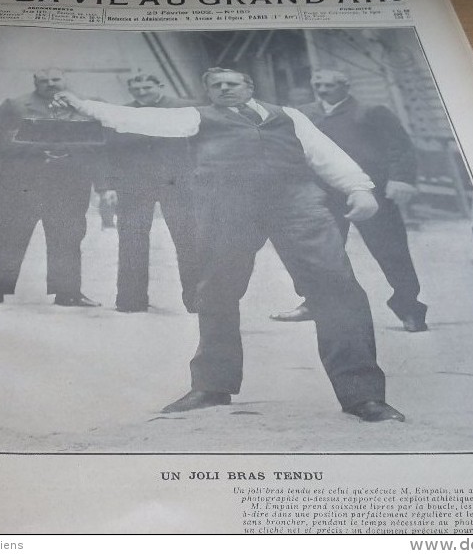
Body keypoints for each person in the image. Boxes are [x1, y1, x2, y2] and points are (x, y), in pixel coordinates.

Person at [53, 67, 405, 422]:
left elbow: (325, 154)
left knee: (337, 287)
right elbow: (138, 119)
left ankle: (364, 397)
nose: (224, 89)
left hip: (297, 205)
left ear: (249, 86)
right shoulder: (196, 118)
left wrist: (359, 188)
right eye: (216, 85)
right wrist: (82, 105)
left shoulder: (290, 116)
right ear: (208, 92)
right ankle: (211, 387)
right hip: (228, 209)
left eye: (231, 83)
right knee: (216, 291)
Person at [270, 69, 428, 332]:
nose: (322, 90)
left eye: (329, 86)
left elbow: (400, 147)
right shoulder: (304, 114)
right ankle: (315, 303)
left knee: (391, 252)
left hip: (371, 193)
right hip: (324, 194)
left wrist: (400, 179)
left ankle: (409, 307)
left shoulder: (371, 112)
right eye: (317, 85)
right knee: (320, 253)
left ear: (346, 86)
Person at [0, 68, 110, 307]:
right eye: (44, 80)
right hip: (22, 185)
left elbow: (102, 149)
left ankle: (68, 293)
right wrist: (32, 147)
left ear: (66, 79)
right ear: (35, 81)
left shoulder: (87, 107)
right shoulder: (14, 106)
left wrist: (103, 185)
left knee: (68, 238)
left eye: (56, 79)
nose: (51, 84)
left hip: (69, 185)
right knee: (10, 237)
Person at [108, 73, 200, 313]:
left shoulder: (183, 108)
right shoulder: (123, 113)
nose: (141, 91)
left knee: (188, 240)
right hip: (135, 185)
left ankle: (197, 300)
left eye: (146, 86)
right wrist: (108, 185)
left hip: (177, 184)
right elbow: (110, 151)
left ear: (160, 84)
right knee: (131, 241)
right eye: (135, 87)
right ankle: (130, 301)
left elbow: (201, 145)